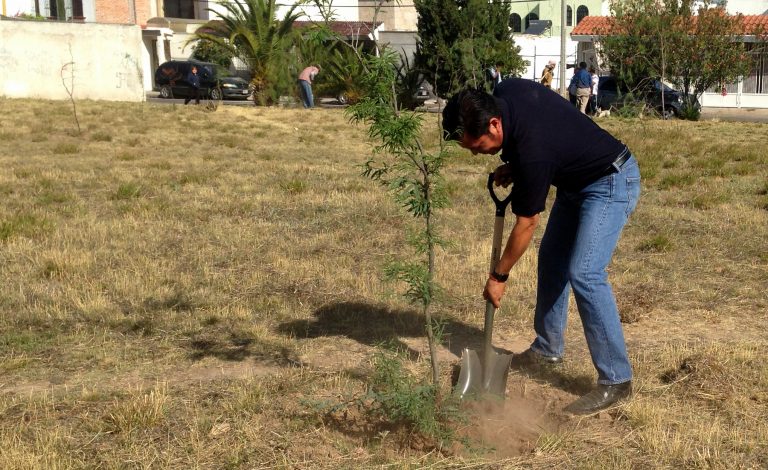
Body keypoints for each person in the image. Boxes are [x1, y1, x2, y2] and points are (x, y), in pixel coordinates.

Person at [441, 80, 641, 415]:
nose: (478, 153)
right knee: (552, 260)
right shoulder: (505, 94)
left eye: (479, 146)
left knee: (586, 273)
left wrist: (498, 276)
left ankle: (617, 380)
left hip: (610, 180)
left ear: (494, 124)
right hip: (573, 182)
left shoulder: (535, 153)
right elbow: (547, 125)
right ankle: (548, 348)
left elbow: (526, 224)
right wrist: (514, 165)